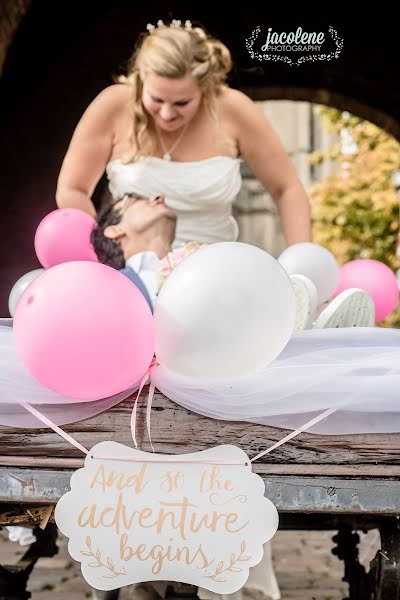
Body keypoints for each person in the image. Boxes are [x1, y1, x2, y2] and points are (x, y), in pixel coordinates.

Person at [56, 19, 311, 251]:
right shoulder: (111, 105)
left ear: (205, 87)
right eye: (156, 99)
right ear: (142, 79)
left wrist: (301, 263)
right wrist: (102, 254)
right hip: (131, 268)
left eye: (182, 103)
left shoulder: (235, 109)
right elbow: (72, 189)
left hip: (214, 270)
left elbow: (286, 188)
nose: (166, 114)